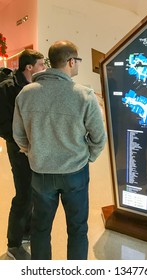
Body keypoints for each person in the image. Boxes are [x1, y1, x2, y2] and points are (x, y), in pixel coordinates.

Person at [13, 40, 107, 260]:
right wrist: (88, 157)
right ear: (71, 61)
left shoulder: (26, 94)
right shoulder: (84, 95)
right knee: (77, 229)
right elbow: (99, 137)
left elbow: (18, 135)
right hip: (75, 172)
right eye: (78, 61)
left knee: (40, 228)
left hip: (41, 173)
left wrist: (34, 151)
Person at [0, 49, 45, 260]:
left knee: (33, 191)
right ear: (29, 67)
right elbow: (3, 124)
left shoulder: (34, 87)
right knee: (24, 194)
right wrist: (20, 142)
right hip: (18, 148)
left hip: (32, 147)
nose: (44, 68)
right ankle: (14, 244)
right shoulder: (8, 88)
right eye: (41, 65)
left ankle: (26, 231)